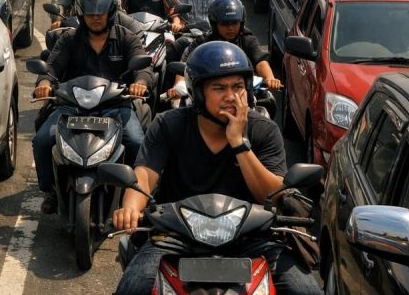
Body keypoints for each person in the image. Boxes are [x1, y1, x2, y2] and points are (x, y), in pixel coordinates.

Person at [112, 42, 320, 295]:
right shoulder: (168, 124)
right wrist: (131, 208)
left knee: (307, 290)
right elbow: (144, 175)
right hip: (175, 237)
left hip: (252, 239)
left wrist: (239, 144)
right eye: (219, 88)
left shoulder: (264, 130)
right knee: (131, 288)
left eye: (238, 87)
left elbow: (272, 195)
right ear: (197, 93)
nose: (232, 96)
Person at [33, 0, 151, 214]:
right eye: (90, 14)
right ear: (81, 14)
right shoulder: (68, 39)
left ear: (111, 13)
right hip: (71, 107)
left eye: (101, 14)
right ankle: (51, 191)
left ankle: (134, 194)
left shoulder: (126, 37)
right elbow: (51, 68)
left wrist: (141, 83)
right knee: (41, 140)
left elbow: (142, 64)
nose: (95, 19)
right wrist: (45, 84)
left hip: (115, 106)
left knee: (138, 142)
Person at [166, 0, 281, 100]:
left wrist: (270, 78)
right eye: (225, 24)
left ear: (241, 23)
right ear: (214, 24)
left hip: (243, 94)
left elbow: (260, 62)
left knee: (268, 102)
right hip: (208, 96)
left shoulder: (248, 40)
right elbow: (185, 65)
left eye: (235, 23)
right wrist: (179, 86)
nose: (230, 28)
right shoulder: (201, 42)